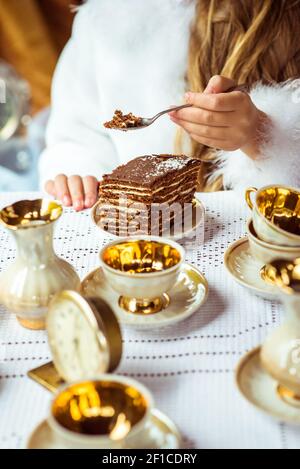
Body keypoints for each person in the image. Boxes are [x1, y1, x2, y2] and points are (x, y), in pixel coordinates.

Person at [40, 0, 300, 211]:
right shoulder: (104, 21)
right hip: (143, 229)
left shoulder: (289, 19)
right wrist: (82, 176)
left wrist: (262, 136)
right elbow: (76, 135)